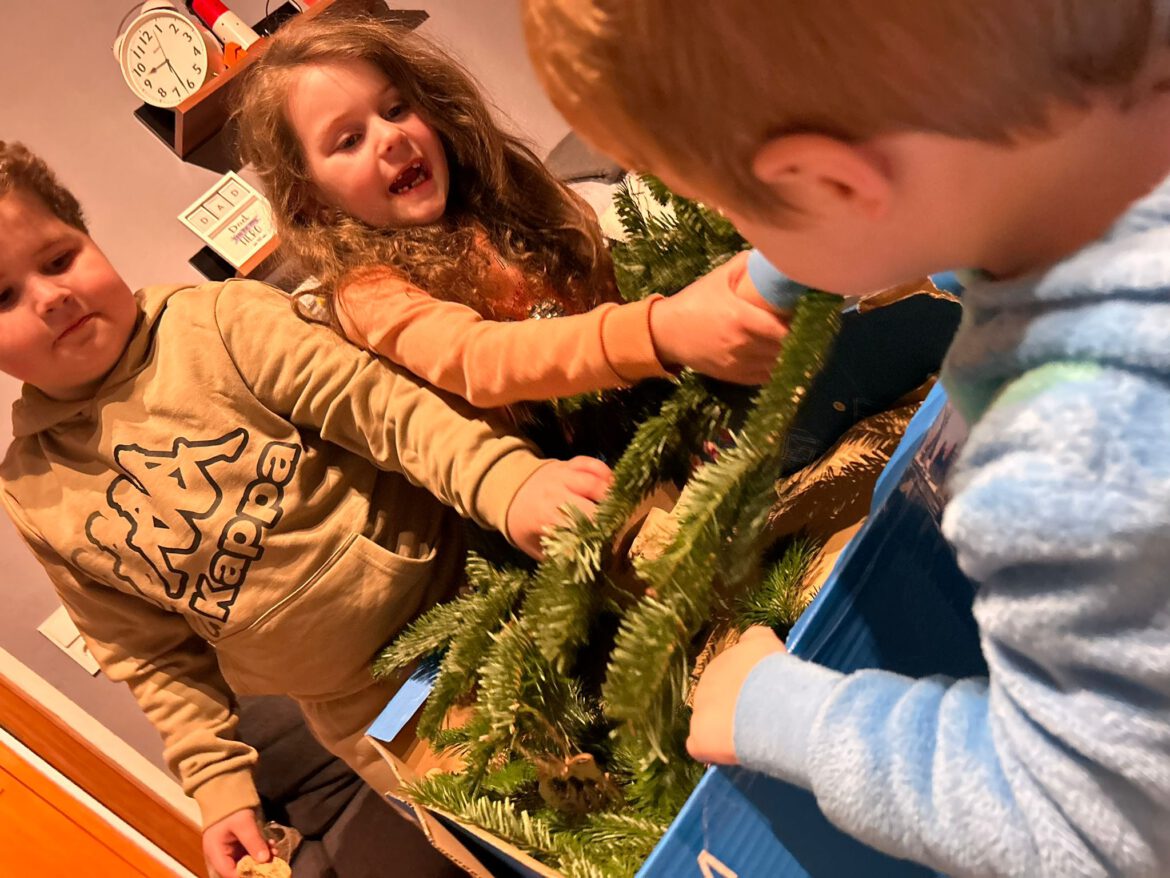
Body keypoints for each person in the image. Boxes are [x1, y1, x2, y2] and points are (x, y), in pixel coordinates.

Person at [521, 2, 1170, 875]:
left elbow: (1087, 823)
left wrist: (779, 710)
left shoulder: (1057, 446)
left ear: (830, 183)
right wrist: (796, 253)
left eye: (726, 202)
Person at [0, 141, 613, 877]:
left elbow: (387, 411)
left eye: (59, 258)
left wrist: (506, 482)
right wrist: (220, 788)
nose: (51, 296)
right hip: (372, 713)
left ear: (88, 235)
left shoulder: (220, 324)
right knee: (547, 852)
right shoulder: (34, 491)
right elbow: (153, 658)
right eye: (2, 296)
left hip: (480, 589)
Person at [232, 15, 791, 411]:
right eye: (349, 140)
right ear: (309, 197)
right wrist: (659, 332)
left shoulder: (495, 201)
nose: (390, 138)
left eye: (396, 108)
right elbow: (479, 359)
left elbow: (601, 273)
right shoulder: (366, 291)